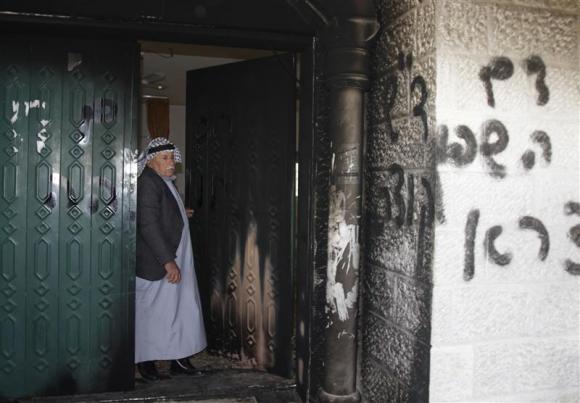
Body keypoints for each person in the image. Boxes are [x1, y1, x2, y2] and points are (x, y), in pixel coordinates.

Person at [135, 137, 207, 381]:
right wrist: (167, 261)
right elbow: (147, 225)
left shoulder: (163, 182)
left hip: (177, 257)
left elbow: (162, 212)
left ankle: (179, 358)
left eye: (171, 158)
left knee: (179, 309)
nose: (171, 163)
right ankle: (145, 363)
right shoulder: (148, 182)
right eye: (164, 159)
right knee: (152, 312)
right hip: (158, 263)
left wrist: (180, 213)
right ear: (151, 161)